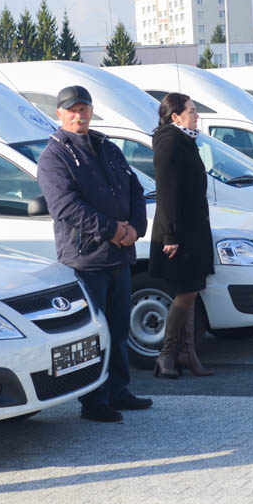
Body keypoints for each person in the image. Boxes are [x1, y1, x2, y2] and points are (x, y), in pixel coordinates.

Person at [37, 85, 151, 422]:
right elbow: (66, 207)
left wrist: (134, 227)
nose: (79, 115)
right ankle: (94, 400)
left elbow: (135, 188)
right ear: (59, 114)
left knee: (118, 328)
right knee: (93, 333)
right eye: (72, 110)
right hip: (86, 259)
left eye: (84, 108)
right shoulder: (54, 157)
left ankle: (119, 390)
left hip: (119, 256)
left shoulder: (107, 147)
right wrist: (113, 230)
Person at [150, 92, 215, 378]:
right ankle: (166, 355)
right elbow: (165, 191)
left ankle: (188, 354)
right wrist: (169, 235)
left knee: (191, 290)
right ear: (175, 116)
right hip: (179, 233)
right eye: (191, 110)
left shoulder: (186, 140)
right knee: (185, 292)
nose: (196, 114)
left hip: (194, 229)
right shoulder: (170, 141)